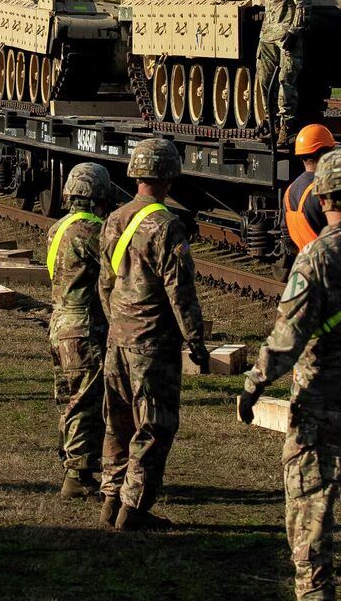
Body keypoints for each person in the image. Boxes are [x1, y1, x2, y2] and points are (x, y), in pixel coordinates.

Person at [234, 149, 341, 601]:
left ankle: (315, 593)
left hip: (324, 403)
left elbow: (287, 339)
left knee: (311, 503)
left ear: (323, 198)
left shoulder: (314, 258)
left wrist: (254, 383)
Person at [97, 136, 208, 531]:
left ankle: (110, 499)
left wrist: (115, 321)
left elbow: (105, 282)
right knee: (155, 424)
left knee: (118, 421)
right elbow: (180, 290)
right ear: (170, 177)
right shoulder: (167, 225)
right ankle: (134, 508)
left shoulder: (114, 218)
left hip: (117, 338)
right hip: (152, 342)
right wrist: (195, 340)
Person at [46, 162, 127, 500]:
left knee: (69, 397)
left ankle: (72, 460)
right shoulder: (92, 231)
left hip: (60, 321)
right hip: (84, 326)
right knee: (85, 401)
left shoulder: (57, 228)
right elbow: (118, 271)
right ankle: (78, 476)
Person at [252, 0, 311, 145]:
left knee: (286, 81)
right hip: (268, 34)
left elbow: (303, 1)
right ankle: (272, 124)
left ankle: (286, 128)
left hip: (286, 35)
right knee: (265, 82)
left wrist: (295, 30)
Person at [282, 124, 337, 255]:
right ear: (324, 154)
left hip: (308, 265)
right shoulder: (327, 190)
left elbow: (287, 237)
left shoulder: (289, 192)